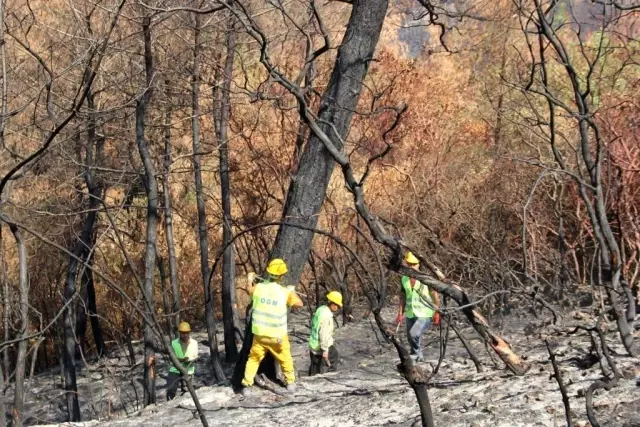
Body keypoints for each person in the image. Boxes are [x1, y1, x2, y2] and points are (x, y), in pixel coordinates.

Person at [241, 258, 303, 395]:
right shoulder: (285, 292)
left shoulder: (259, 288)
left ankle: (246, 385)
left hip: (260, 335)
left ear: (269, 273)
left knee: (253, 359)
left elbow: (249, 290)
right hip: (278, 336)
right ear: (282, 276)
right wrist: (292, 291)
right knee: (285, 358)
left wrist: (249, 279)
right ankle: (290, 383)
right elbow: (299, 304)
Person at [396, 252, 440, 362]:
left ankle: (415, 353)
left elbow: (435, 295)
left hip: (425, 312)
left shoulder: (425, 278)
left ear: (418, 264)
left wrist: (437, 312)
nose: (411, 266)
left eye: (414, 264)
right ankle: (418, 355)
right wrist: (400, 313)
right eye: (409, 264)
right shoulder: (404, 279)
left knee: (414, 333)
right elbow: (403, 297)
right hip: (410, 312)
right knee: (411, 337)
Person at [308, 291, 342, 376]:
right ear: (332, 304)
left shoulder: (321, 309)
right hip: (320, 346)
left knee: (314, 366)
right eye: (337, 305)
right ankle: (329, 377)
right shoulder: (327, 316)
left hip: (313, 345)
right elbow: (323, 334)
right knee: (320, 367)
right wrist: (325, 350)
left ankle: (312, 377)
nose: (337, 307)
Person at [166, 321, 199, 400]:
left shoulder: (194, 343)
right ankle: (170, 404)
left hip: (188, 369)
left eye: (187, 333)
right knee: (171, 389)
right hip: (175, 369)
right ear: (180, 333)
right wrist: (182, 360)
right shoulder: (174, 343)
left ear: (189, 332)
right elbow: (172, 357)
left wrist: (193, 360)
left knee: (187, 391)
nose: (185, 335)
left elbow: (195, 356)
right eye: (183, 333)